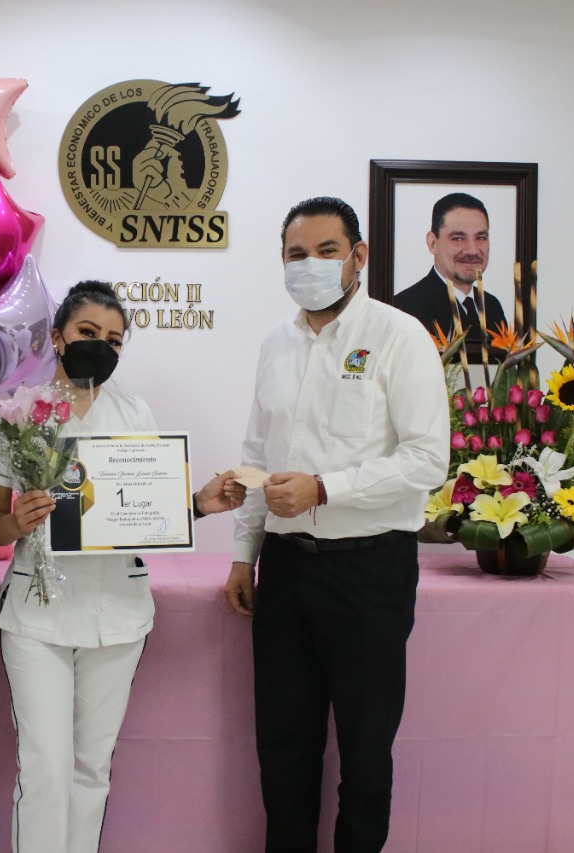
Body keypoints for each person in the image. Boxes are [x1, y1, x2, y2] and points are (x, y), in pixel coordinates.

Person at [0, 280, 245, 853]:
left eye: (114, 339)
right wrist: (18, 522)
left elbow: (145, 512)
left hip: (118, 614)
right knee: (45, 768)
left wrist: (200, 505)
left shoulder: (135, 412)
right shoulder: (15, 414)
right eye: (87, 332)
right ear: (57, 337)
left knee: (90, 769)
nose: (100, 345)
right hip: (39, 617)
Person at [223, 198, 449, 853]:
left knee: (365, 755)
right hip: (285, 569)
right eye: (297, 254)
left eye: (327, 251)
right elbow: (258, 455)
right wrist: (244, 553)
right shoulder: (276, 343)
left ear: (359, 256)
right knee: (283, 751)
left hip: (369, 570)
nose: (311, 265)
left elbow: (427, 459)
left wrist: (325, 488)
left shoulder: (399, 335)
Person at [392, 192, 507, 343]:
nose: (472, 250)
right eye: (458, 238)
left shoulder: (492, 307)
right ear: (433, 243)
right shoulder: (405, 309)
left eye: (481, 238)